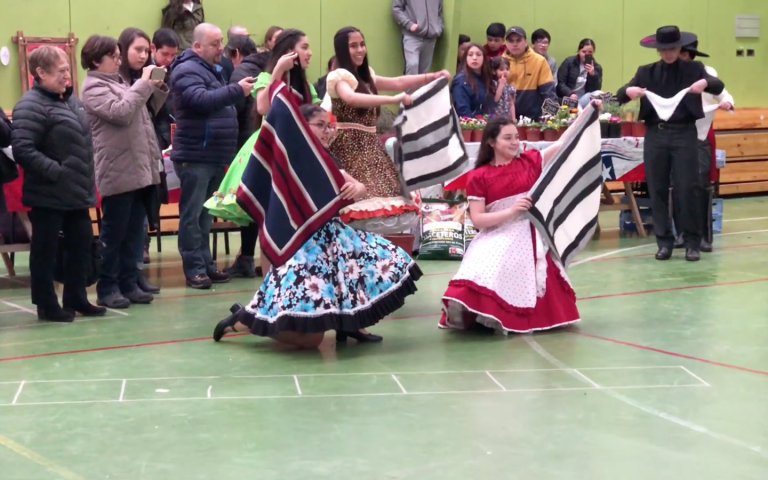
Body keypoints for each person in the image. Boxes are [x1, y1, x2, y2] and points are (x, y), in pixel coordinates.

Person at [213, 103, 422, 348]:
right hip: (301, 246)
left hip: (334, 237)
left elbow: (359, 186)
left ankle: (352, 324)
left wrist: (357, 188)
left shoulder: (327, 158)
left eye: (329, 126)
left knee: (387, 261)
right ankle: (245, 319)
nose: (327, 131)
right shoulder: (289, 159)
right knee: (311, 340)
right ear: (302, 128)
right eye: (320, 125)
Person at [440, 116, 580, 333]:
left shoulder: (530, 161)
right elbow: (478, 219)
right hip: (496, 232)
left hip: (529, 233)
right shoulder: (479, 176)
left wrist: (588, 113)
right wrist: (512, 210)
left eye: (516, 137)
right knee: (485, 266)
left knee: (514, 260)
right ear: (491, 142)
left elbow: (563, 143)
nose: (515, 142)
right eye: (508, 138)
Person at [205, 29, 321, 279]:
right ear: (289, 52)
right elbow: (263, 106)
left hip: (298, 155)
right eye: (304, 47)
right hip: (272, 152)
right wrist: (278, 69)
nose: (309, 52)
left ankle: (295, 278)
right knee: (271, 220)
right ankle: (272, 283)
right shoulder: (267, 77)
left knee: (297, 219)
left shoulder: (307, 87)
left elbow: (318, 118)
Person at [11, 46, 104, 322]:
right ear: (40, 72)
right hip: (48, 194)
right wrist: (58, 172)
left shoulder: (71, 101)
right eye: (61, 70)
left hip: (75, 191)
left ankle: (76, 297)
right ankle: (46, 304)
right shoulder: (30, 105)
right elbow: (23, 150)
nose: (67, 74)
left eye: (67, 68)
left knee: (80, 245)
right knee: (46, 250)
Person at [616, 26, 725, 262]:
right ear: (658, 50)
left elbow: (718, 86)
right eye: (663, 49)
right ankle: (664, 242)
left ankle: (692, 243)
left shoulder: (694, 69)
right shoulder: (646, 72)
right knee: (657, 188)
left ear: (680, 48)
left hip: (685, 134)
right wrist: (630, 90)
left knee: (688, 188)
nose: (668, 54)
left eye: (673, 49)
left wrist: (705, 84)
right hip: (656, 134)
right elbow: (620, 95)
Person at [327, 26, 449, 234]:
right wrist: (393, 99)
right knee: (357, 203)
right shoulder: (339, 76)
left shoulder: (365, 76)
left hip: (370, 146)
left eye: (362, 44)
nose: (360, 50)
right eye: (353, 46)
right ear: (342, 50)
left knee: (381, 202)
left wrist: (432, 76)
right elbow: (351, 98)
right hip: (349, 147)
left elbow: (398, 81)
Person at [80, 32, 167, 308]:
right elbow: (121, 112)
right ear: (95, 60)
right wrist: (142, 85)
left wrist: (152, 87)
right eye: (113, 57)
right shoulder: (93, 88)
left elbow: (140, 117)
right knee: (114, 233)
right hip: (117, 170)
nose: (119, 62)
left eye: (119, 56)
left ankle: (129, 282)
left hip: (137, 169)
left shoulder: (119, 82)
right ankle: (107, 287)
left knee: (133, 233)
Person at [169, 23, 256, 288]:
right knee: (192, 216)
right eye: (215, 43)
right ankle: (195, 269)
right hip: (196, 156)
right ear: (197, 46)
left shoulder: (211, 70)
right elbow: (201, 100)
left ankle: (205, 266)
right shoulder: (186, 70)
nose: (221, 48)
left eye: (222, 43)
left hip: (212, 155)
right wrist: (236, 90)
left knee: (205, 217)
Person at [673, 40, 734, 253]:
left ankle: (703, 236)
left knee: (700, 185)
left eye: (677, 52)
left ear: (687, 54)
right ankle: (681, 232)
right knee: (679, 185)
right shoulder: (669, 73)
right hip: (676, 136)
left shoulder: (707, 73)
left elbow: (725, 95)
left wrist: (726, 103)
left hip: (700, 135)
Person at [502, 26, 556, 120]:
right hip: (506, 120)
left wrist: (553, 118)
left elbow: (548, 92)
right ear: (506, 43)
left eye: (518, 40)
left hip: (533, 119)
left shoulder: (539, 61)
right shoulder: (500, 62)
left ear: (525, 41)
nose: (515, 44)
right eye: (511, 41)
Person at [392, 0, 444, 75]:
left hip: (430, 38)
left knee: (424, 73)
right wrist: (409, 24)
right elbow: (396, 9)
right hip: (412, 36)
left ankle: (420, 87)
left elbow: (439, 12)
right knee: (412, 65)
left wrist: (438, 28)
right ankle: (409, 87)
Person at [225, 35, 259, 148]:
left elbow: (235, 107)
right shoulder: (266, 65)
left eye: (231, 58)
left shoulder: (241, 72)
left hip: (245, 136)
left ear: (237, 53)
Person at [556, 39, 602, 107]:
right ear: (579, 51)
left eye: (590, 52)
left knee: (599, 93)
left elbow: (596, 89)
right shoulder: (569, 62)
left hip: (584, 98)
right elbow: (561, 83)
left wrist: (593, 75)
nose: (586, 55)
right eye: (584, 52)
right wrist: (570, 94)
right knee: (577, 108)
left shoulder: (597, 67)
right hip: (568, 99)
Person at [451, 43, 493, 118]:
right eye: (470, 55)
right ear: (465, 58)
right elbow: (462, 110)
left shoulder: (487, 79)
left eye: (478, 54)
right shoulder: (460, 80)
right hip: (469, 125)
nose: (474, 58)